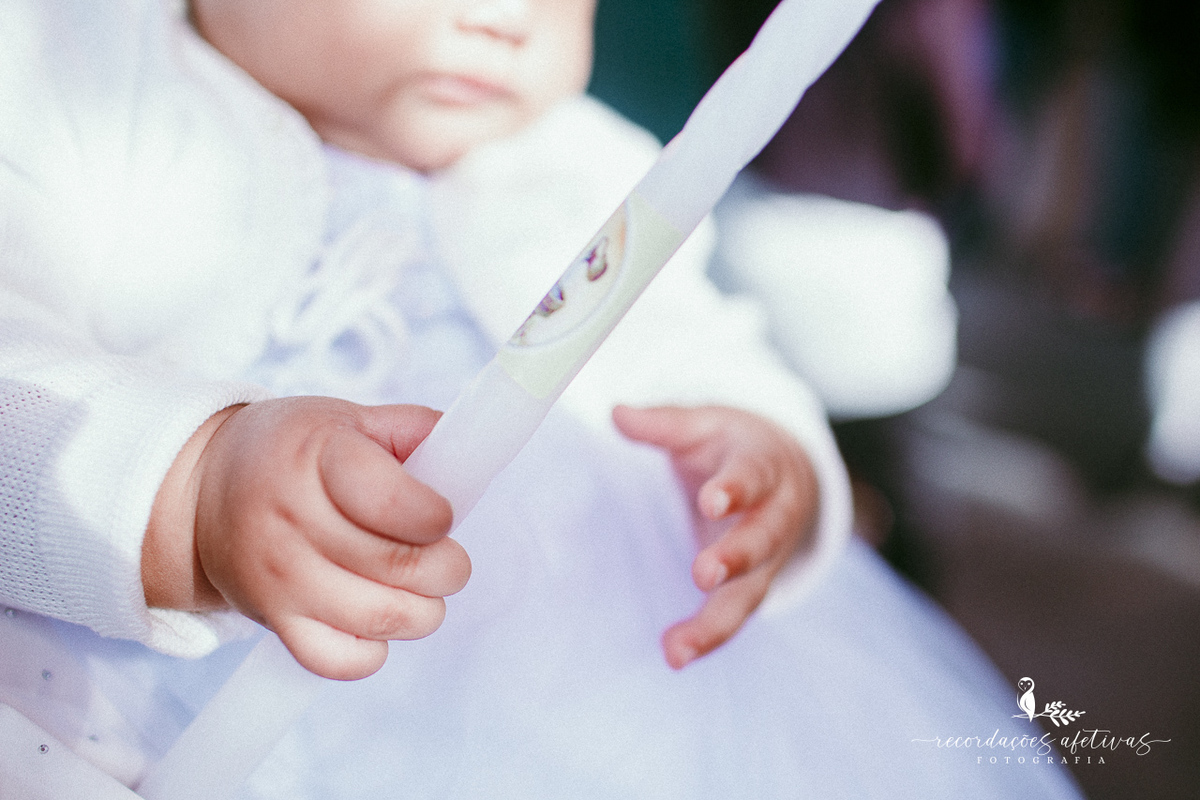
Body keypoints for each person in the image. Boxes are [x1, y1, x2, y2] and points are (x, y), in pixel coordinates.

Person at [0, 0, 1083, 797]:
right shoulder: (78, 77)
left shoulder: (580, 167)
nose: (505, 18)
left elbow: (701, 347)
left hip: (567, 708)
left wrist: (763, 451)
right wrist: (187, 491)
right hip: (137, 706)